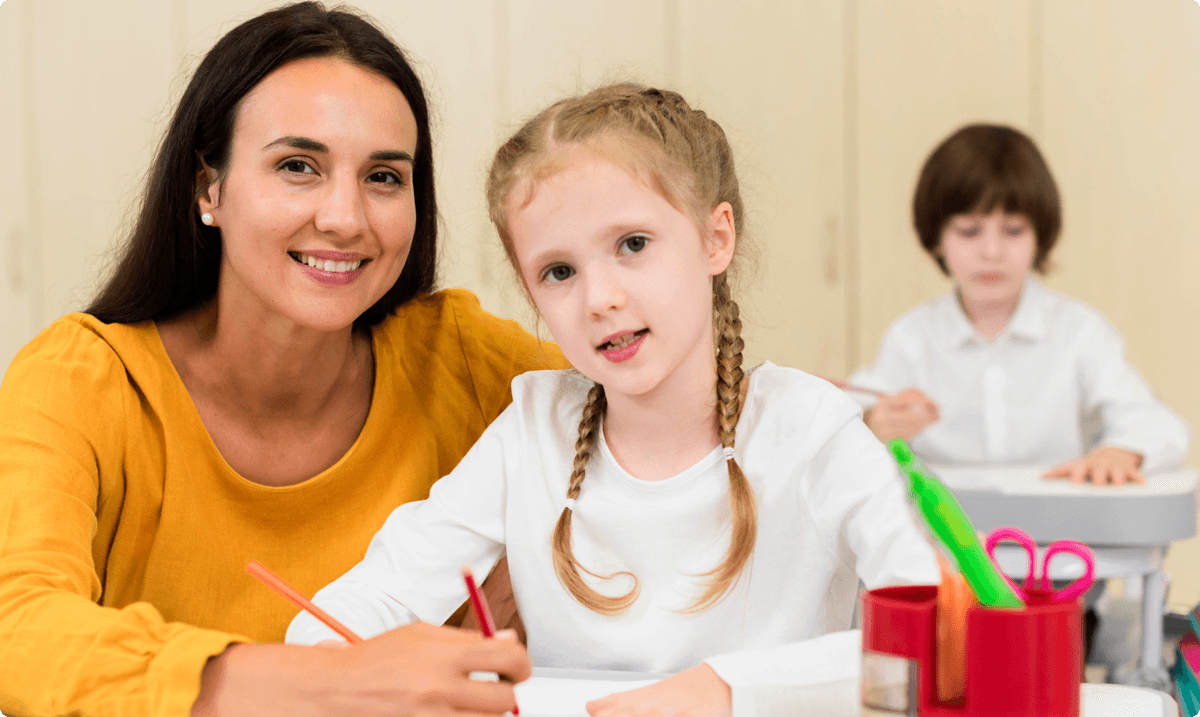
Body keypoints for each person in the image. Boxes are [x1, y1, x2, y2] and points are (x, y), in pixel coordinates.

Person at [288, 83, 939, 716]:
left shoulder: (811, 431)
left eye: (632, 244)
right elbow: (359, 607)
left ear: (717, 238)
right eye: (559, 272)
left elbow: (931, 639)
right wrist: (332, 669)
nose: (599, 298)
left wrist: (728, 688)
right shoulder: (531, 433)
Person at [0, 4, 568, 717]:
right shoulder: (82, 380)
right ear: (210, 188)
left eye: (384, 177)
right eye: (298, 166)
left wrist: (563, 565)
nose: (344, 217)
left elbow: (677, 422)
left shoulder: (464, 358)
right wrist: (338, 683)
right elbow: (16, 626)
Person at [850, 124, 1190, 485]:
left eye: (1013, 230)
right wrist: (872, 423)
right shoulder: (912, 338)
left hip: (1061, 531)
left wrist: (1122, 451)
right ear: (936, 239)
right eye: (969, 230)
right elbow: (841, 420)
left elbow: (1156, 424)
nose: (991, 252)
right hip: (941, 534)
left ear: (1040, 237)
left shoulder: (1080, 331)